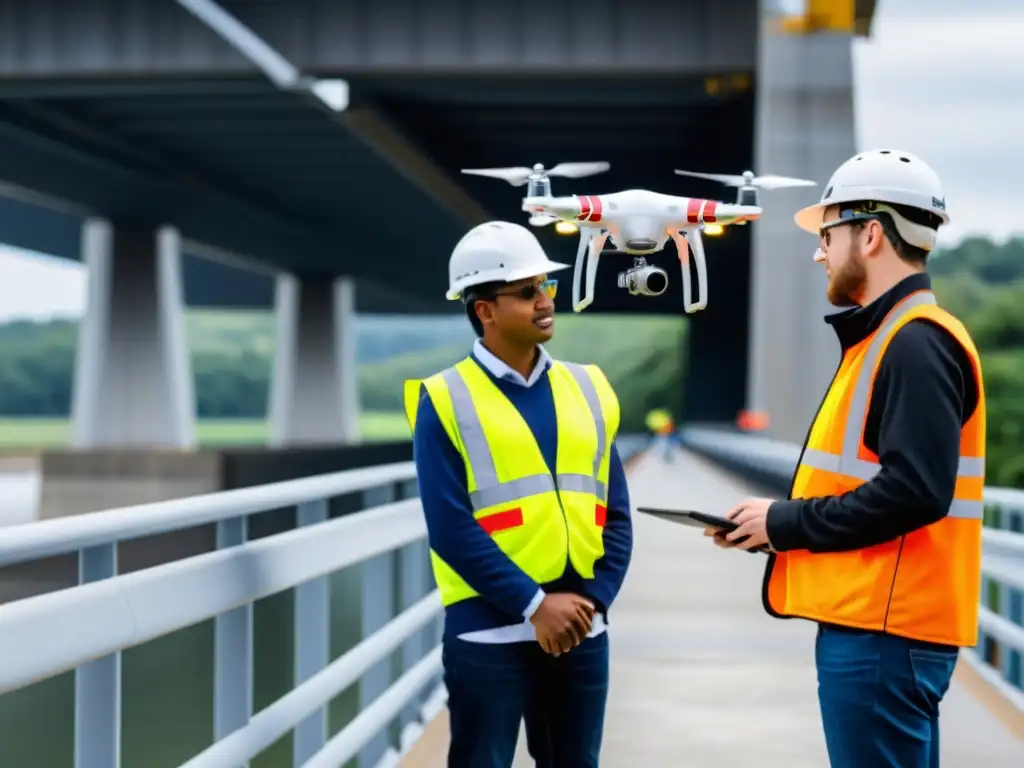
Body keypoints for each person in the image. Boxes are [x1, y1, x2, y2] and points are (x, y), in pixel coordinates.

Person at [708, 150, 986, 768]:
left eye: (827, 236)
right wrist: (772, 525)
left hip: (884, 632)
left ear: (871, 233)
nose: (819, 253)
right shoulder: (896, 337)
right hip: (883, 625)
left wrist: (787, 523)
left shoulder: (914, 343)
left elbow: (914, 490)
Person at [403, 221, 634, 768]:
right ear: (484, 310)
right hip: (488, 633)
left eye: (545, 287)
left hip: (580, 627)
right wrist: (534, 606)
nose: (545, 301)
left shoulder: (589, 388)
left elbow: (617, 512)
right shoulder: (445, 399)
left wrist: (593, 602)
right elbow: (450, 528)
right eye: (527, 291)